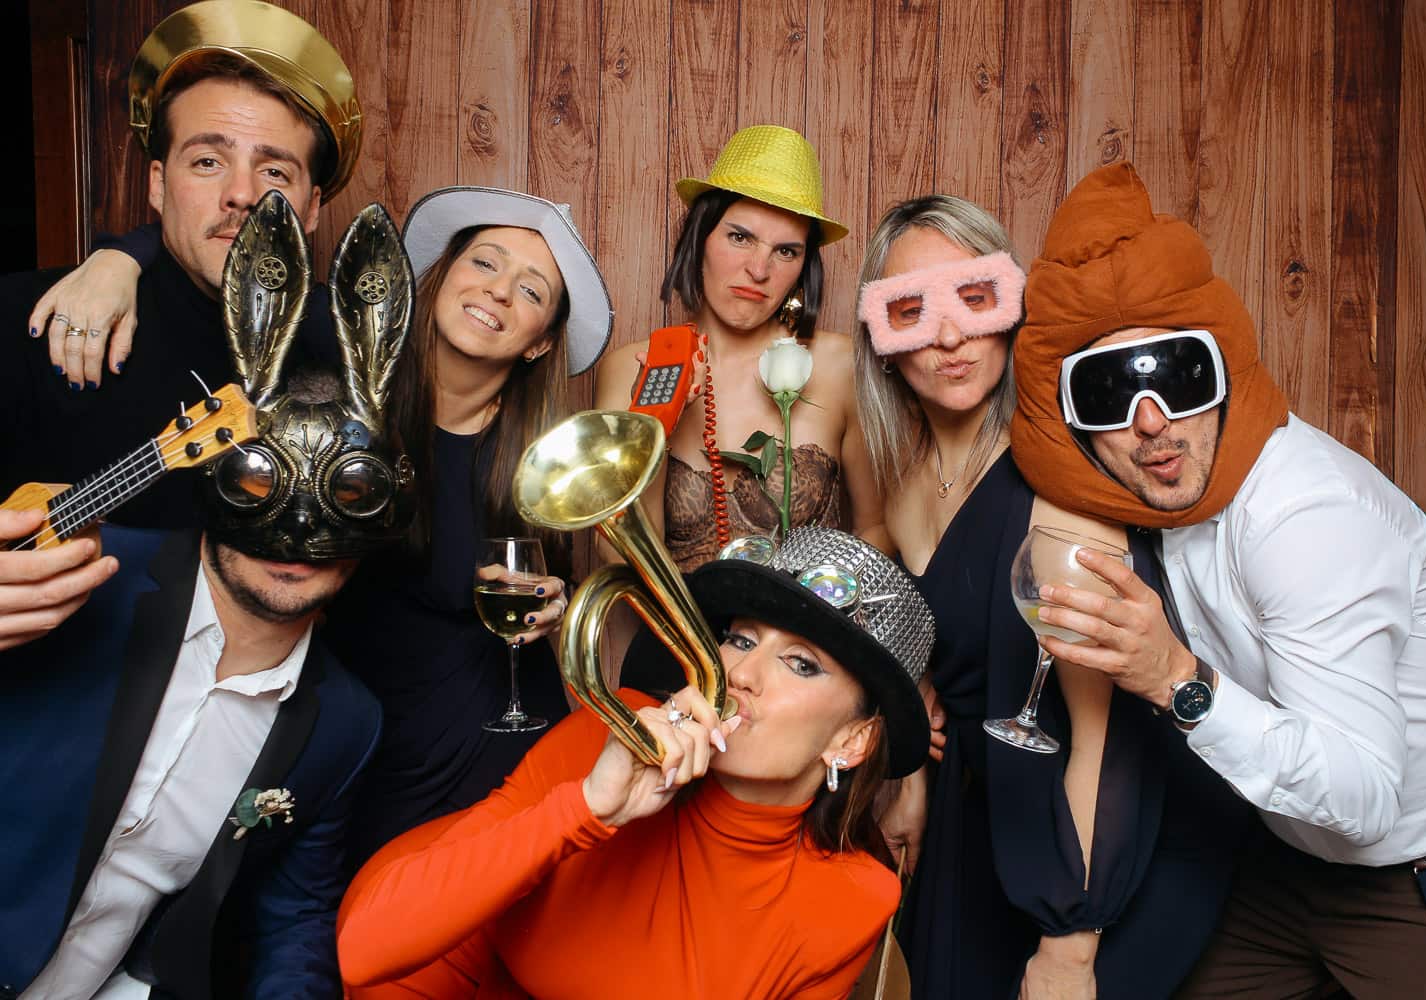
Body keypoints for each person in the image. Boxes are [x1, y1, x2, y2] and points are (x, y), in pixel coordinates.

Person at [1009, 161, 1426, 998]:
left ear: (1226, 368)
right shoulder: (1159, 505)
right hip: (1283, 859)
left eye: (1178, 375)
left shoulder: (1303, 518)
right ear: (1072, 425)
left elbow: (1365, 796)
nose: (1151, 425)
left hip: (1421, 871)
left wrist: (1175, 679)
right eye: (1107, 394)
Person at [0, 192, 409, 998]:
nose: (295, 537)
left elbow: (295, 920)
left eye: (348, 493)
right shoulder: (75, 581)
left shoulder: (344, 723)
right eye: (261, 482)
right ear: (217, 471)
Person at [851, 194, 1245, 999]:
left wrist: (1072, 933)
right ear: (881, 342)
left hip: (1099, 846)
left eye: (972, 298)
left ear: (1012, 308)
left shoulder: (1057, 494)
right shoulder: (899, 477)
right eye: (911, 311)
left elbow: (1110, 736)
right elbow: (887, 619)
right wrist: (908, 764)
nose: (950, 337)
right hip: (978, 812)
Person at [335, 526, 935, 999]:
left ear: (853, 741)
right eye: (742, 639)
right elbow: (366, 948)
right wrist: (590, 806)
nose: (740, 675)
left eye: (800, 663)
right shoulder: (612, 733)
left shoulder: (855, 899)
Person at [0, 0, 360, 645]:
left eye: (274, 170)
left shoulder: (346, 350)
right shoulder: (29, 316)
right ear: (159, 185)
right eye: (207, 161)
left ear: (310, 209)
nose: (242, 193)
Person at [319, 185, 614, 867]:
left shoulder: (539, 467)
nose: (501, 291)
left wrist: (556, 610)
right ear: (442, 275)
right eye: (485, 263)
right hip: (360, 754)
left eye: (533, 291)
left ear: (541, 343)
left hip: (491, 758)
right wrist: (119, 264)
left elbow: (555, 593)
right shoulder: (341, 404)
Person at [594, 125, 883, 573]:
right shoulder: (630, 369)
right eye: (740, 237)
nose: (759, 269)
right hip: (674, 635)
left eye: (786, 251)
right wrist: (655, 427)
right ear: (701, 237)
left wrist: (822, 625)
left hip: (806, 638)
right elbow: (619, 554)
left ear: (804, 266)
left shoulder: (840, 366)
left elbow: (877, 527)